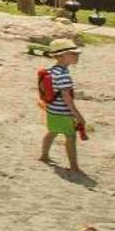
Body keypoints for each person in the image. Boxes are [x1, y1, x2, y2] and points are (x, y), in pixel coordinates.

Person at [38, 40, 87, 174]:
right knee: (71, 138)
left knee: (51, 133)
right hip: (63, 113)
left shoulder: (51, 71)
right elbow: (67, 98)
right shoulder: (64, 75)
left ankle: (44, 156)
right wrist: (77, 115)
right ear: (61, 56)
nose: (77, 56)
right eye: (73, 54)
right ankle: (74, 167)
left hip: (51, 110)